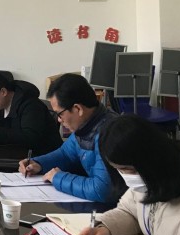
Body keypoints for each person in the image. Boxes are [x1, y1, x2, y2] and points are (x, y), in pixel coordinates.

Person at [19, 73, 121, 202]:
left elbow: (100, 189)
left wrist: (58, 178)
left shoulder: (110, 133)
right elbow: (66, 154)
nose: (59, 120)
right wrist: (39, 164)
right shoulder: (86, 125)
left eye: (60, 114)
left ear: (78, 109)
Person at [0, 71, 62, 155]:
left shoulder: (31, 105)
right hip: (16, 153)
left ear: (3, 92)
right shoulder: (0, 104)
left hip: (42, 157)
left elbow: (30, 138)